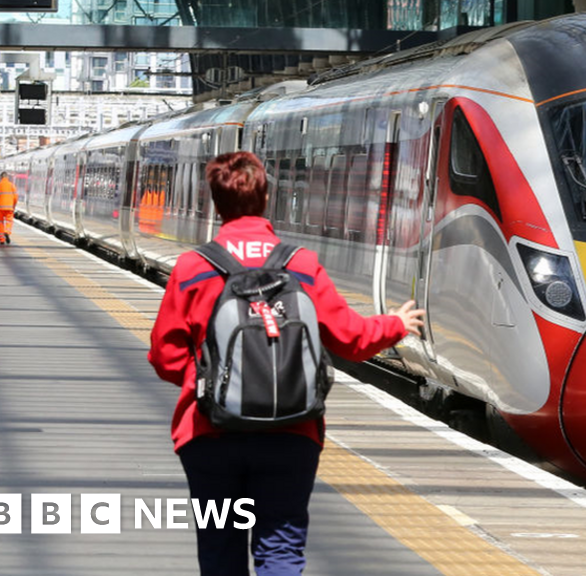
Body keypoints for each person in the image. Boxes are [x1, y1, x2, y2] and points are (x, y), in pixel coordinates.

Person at [148, 151, 425, 576]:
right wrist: (396, 324)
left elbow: (166, 357)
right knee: (280, 547)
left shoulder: (193, 268)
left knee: (220, 547)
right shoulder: (301, 265)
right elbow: (350, 339)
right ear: (266, 197)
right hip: (292, 431)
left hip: (209, 434)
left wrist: (212, 382)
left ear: (214, 202)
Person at [0, 171, 17, 245]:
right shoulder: (12, 185)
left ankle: (2, 239)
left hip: (0, 208)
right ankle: (7, 232)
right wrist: (14, 205)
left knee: (0, 223)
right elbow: (15, 197)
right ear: (7, 177)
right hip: (9, 207)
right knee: (9, 221)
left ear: (1, 177)